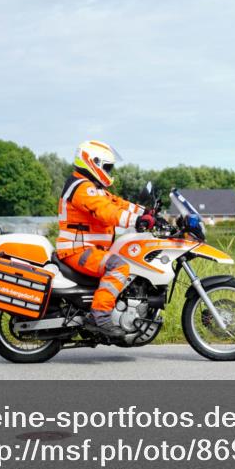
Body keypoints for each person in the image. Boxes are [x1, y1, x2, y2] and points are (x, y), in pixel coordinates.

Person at [55, 140, 155, 338]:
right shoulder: (82, 188)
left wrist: (148, 213)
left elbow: (118, 203)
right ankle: (99, 317)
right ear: (93, 163)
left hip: (88, 249)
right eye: (107, 167)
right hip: (78, 250)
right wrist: (137, 221)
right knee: (119, 267)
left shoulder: (94, 188)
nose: (109, 171)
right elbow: (106, 212)